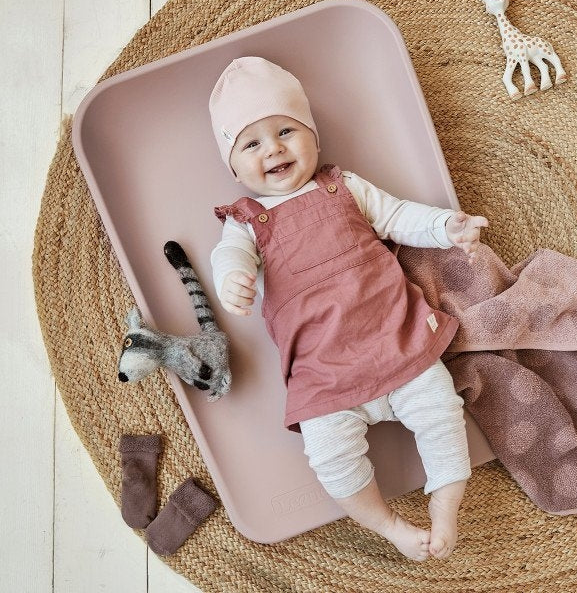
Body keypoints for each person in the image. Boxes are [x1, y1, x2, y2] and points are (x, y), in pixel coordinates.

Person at [209, 57, 488, 561]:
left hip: (396, 342)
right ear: (233, 168)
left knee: (443, 413)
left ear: (314, 138)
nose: (273, 148)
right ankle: (388, 525)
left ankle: (446, 505)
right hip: (324, 376)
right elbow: (228, 255)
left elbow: (399, 216)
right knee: (330, 457)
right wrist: (232, 278)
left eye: (286, 131)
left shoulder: (344, 188)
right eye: (251, 144)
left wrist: (446, 227)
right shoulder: (246, 223)